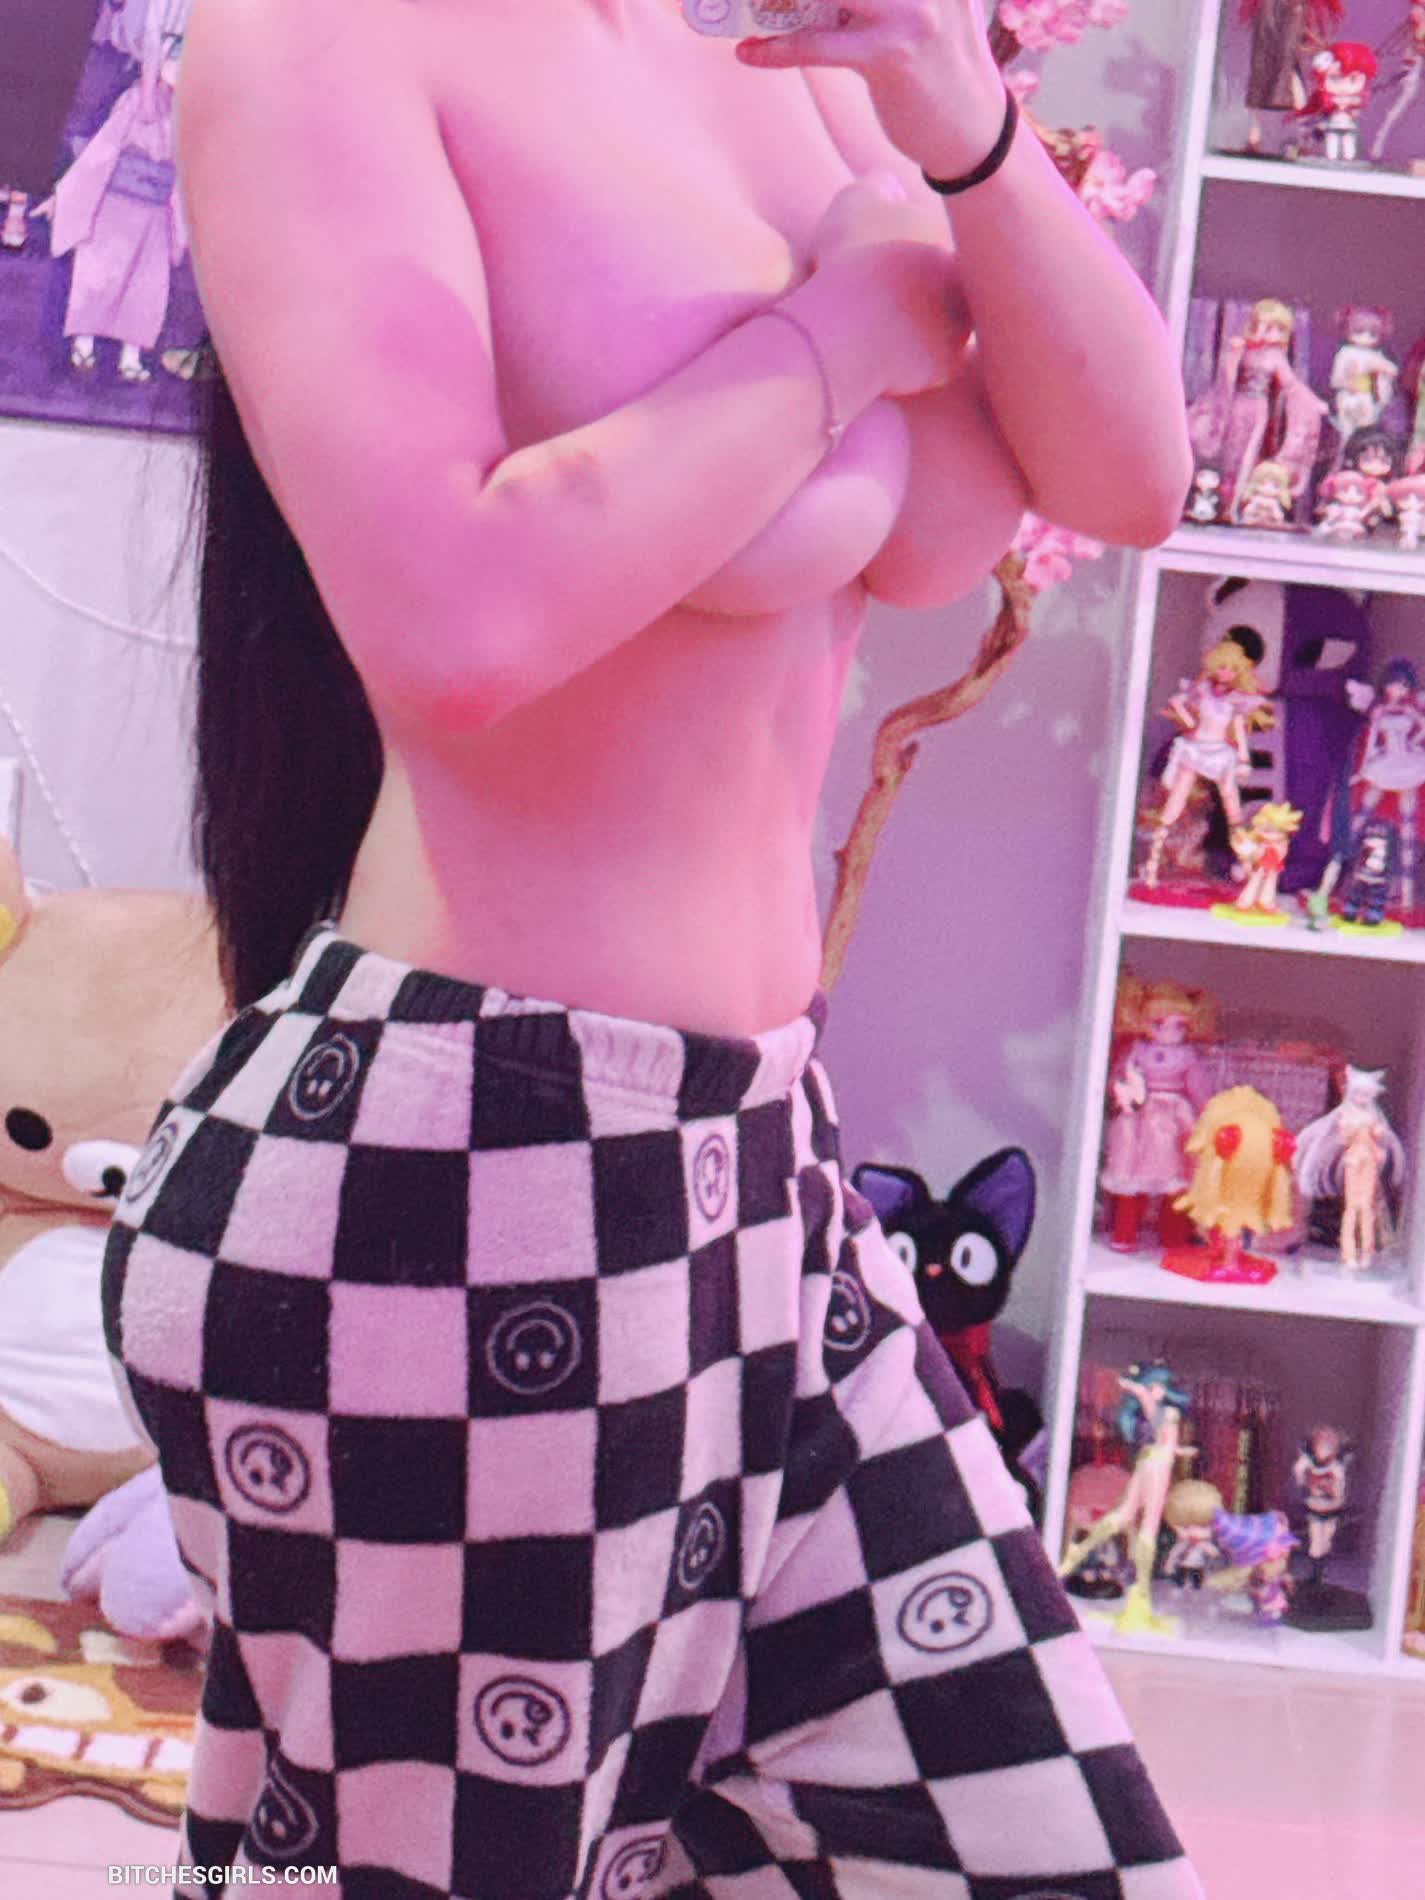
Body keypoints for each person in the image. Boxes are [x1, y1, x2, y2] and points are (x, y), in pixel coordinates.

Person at [101, 0, 1199, 1893]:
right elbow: (451, 622)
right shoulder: (325, 43)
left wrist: (960, 121)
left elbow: (1130, 479)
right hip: (461, 1166)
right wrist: (839, 335)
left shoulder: (805, 82)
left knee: (1052, 1849)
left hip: (757, 1167)